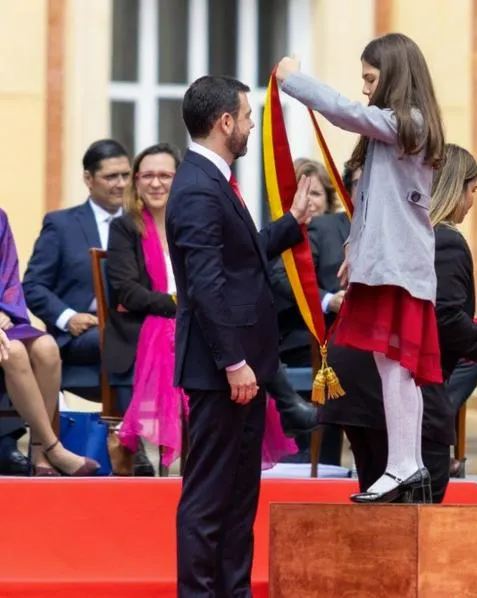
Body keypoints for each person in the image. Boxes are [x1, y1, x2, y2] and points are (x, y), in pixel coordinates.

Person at [277, 32, 445, 502]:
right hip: (385, 262)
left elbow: (348, 113)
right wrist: (355, 248)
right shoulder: (396, 129)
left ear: (393, 75)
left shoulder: (407, 121)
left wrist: (295, 81)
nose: (365, 89)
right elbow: (372, 202)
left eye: (371, 79)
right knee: (391, 363)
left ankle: (404, 465)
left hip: (397, 264)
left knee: (397, 365)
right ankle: (404, 465)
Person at [166, 75, 310, 597]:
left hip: (244, 368)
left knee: (238, 499)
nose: (251, 127)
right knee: (209, 499)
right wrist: (232, 362)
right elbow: (206, 286)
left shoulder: (215, 182)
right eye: (248, 117)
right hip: (222, 371)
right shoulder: (198, 187)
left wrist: (292, 222)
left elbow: (241, 256)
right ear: (225, 122)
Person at [321, 145, 477, 501]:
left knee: (381, 513)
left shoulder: (394, 234)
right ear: (456, 188)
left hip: (359, 389)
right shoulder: (445, 241)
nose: (472, 202)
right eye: (472, 191)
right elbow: (445, 318)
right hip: (397, 392)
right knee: (418, 513)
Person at [23, 139, 153, 475]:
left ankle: (138, 440)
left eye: (126, 175)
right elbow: (34, 285)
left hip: (129, 329)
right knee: (126, 340)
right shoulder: (62, 224)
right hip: (79, 337)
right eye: (111, 176)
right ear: (88, 178)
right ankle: (130, 443)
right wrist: (67, 318)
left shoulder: (144, 224)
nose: (121, 184)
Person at [0, 208, 99, 476]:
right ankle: (52, 447)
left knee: (47, 347)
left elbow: (8, 276)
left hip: (2, 318)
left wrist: (5, 312)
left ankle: (38, 448)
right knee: (15, 351)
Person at [104, 143, 184, 468]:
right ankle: (147, 453)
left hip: (193, 325)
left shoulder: (191, 225)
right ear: (136, 181)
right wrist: (181, 305)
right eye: (147, 175)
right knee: (173, 339)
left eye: (164, 175)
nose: (155, 183)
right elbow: (129, 293)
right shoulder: (124, 227)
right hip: (141, 330)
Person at [271, 158, 350, 465]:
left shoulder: (340, 236)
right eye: (301, 194)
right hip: (297, 338)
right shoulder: (280, 235)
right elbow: (280, 279)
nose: (309, 202)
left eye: (315, 194)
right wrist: (327, 299)